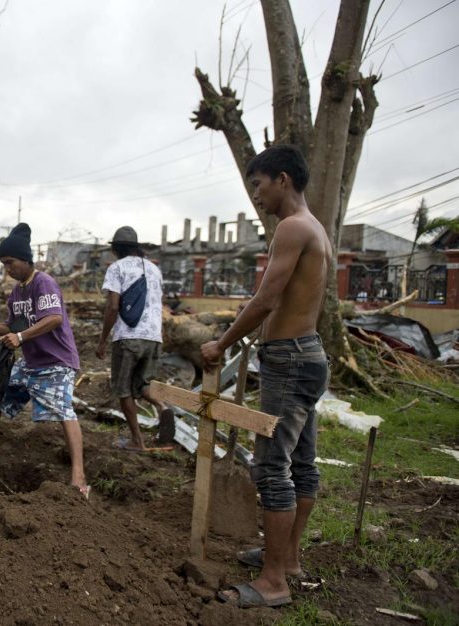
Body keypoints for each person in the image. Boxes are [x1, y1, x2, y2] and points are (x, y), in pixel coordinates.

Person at [200, 145, 331, 609]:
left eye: (257, 185)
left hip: (290, 360)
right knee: (301, 463)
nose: (255, 195)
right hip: (305, 355)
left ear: (282, 179)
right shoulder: (314, 228)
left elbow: (268, 299)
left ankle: (274, 581)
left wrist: (221, 344)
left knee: (272, 465)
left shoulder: (292, 227)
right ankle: (287, 558)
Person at [0, 223, 89, 498]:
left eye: (11, 262)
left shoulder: (44, 283)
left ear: (26, 259)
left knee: (63, 409)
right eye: (4, 264)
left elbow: (53, 318)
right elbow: (12, 327)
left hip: (57, 361)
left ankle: (78, 476)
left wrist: (20, 337)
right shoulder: (17, 293)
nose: (8, 268)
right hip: (30, 363)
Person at [95, 226, 175, 451]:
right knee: (142, 385)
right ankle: (161, 405)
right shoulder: (154, 269)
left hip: (128, 337)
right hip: (153, 337)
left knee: (123, 390)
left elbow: (112, 307)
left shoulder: (116, 268)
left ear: (116, 248)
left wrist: (102, 340)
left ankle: (136, 441)